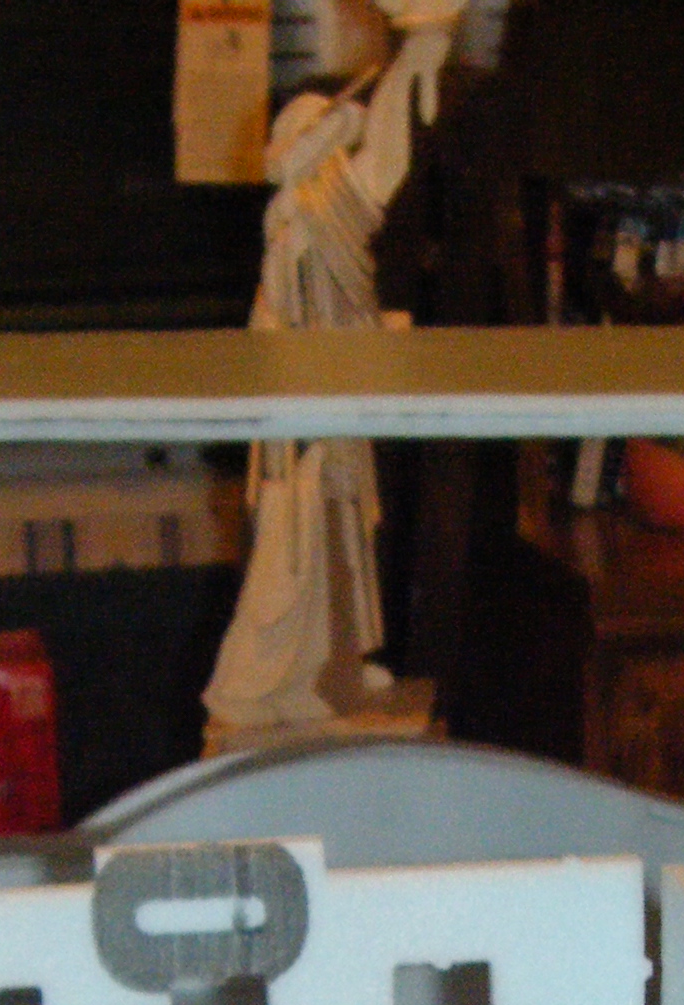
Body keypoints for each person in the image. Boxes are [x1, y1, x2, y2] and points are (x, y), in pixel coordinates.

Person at [201, 0, 465, 731]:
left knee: (343, 532)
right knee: (293, 543)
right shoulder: (293, 217)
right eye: (321, 130)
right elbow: (278, 316)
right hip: (300, 413)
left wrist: (414, 60)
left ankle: (334, 665)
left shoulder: (334, 202)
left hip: (334, 399)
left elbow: (388, 158)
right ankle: (260, 684)